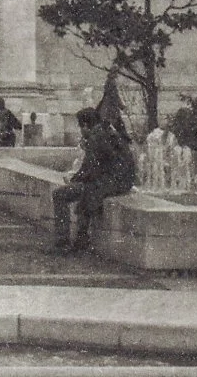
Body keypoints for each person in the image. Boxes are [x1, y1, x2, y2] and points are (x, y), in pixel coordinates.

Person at [53, 73, 140, 254]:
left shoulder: (96, 136)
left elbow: (90, 169)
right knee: (87, 191)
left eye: (80, 127)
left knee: (60, 194)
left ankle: (63, 241)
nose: (80, 131)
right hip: (121, 181)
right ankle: (81, 239)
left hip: (112, 183)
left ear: (85, 125)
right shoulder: (103, 132)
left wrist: (74, 179)